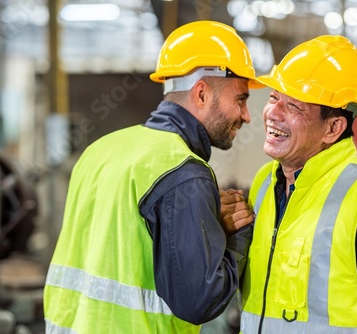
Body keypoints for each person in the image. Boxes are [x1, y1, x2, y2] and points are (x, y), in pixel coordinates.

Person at [44, 20, 262, 333]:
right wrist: (232, 239)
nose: (247, 115)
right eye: (240, 100)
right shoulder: (184, 172)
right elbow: (199, 301)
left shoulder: (100, 149)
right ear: (201, 94)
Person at [239, 35, 357, 333]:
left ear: (333, 127)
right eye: (274, 97)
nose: (273, 113)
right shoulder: (265, 182)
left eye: (294, 107)